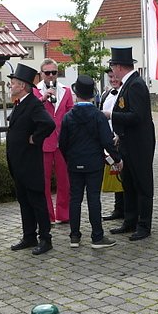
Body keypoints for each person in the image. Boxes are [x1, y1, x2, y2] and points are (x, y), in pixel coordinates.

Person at [58, 75, 119, 249]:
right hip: (94, 163)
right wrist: (117, 158)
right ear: (92, 95)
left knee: (75, 199)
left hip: (74, 163)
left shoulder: (68, 117)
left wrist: (69, 158)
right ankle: (97, 237)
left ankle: (74, 236)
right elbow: (107, 141)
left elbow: (62, 143)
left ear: (76, 94)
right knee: (94, 199)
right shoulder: (98, 116)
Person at [104, 46, 156, 241]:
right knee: (129, 183)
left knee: (142, 184)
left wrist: (111, 115)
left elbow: (137, 116)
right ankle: (130, 220)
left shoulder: (135, 85)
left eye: (112, 66)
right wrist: (120, 134)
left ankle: (144, 225)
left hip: (139, 144)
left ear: (118, 67)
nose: (112, 71)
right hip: (128, 141)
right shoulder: (129, 83)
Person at [5, 63, 56, 255]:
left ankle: (45, 239)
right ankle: (29, 236)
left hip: (30, 163)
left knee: (37, 202)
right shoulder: (20, 103)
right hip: (19, 164)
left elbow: (48, 124)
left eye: (13, 83)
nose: (11, 86)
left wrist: (35, 138)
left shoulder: (33, 104)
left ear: (22, 86)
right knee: (24, 201)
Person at [36, 58, 73, 224]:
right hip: (43, 143)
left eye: (54, 72)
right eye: (47, 72)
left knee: (64, 181)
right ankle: (47, 216)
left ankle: (64, 214)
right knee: (43, 183)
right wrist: (43, 99)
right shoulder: (35, 92)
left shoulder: (66, 90)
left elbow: (71, 114)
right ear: (41, 74)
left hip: (62, 142)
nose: (51, 75)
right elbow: (30, 111)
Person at [99, 68, 125, 221]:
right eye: (110, 77)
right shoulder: (106, 94)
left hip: (122, 139)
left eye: (116, 76)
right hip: (109, 141)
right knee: (114, 173)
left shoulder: (126, 93)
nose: (113, 79)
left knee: (124, 175)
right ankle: (118, 208)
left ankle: (127, 209)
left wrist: (119, 135)